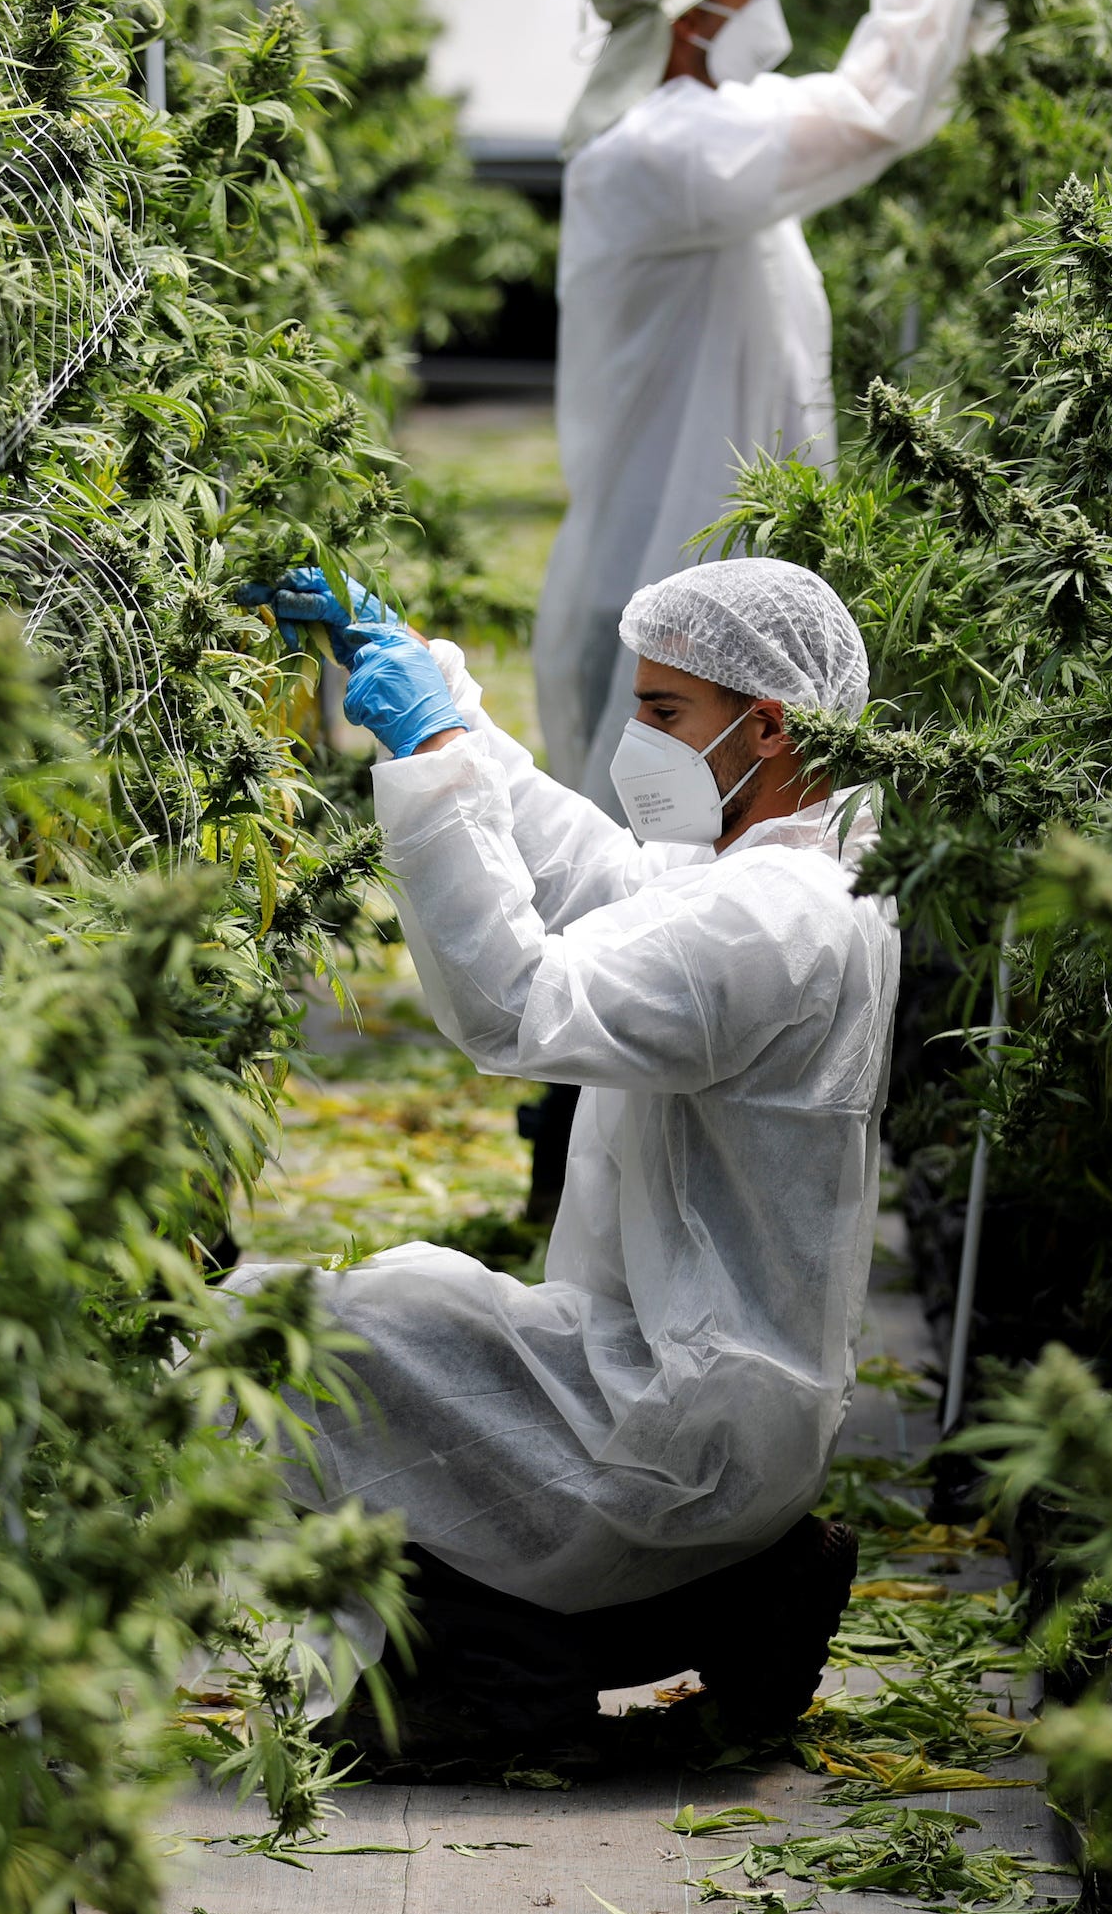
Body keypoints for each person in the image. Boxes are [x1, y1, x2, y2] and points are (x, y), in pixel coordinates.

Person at [233, 558, 897, 1773]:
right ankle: (727, 1591)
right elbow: (600, 882)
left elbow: (520, 1004)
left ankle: (506, 1669)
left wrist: (428, 760)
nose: (636, 744)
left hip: (679, 1425)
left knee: (279, 1352)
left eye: (663, 715)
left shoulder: (772, 921)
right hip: (718, 1396)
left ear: (766, 725)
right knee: (385, 1324)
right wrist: (444, 701)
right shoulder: (784, 865)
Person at [536, 0, 1038, 814]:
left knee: (701, 817)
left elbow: (881, 107)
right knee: (654, 827)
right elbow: (866, 111)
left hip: (697, 544)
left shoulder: (707, 125)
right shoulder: (659, 152)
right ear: (694, 14)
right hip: (668, 556)